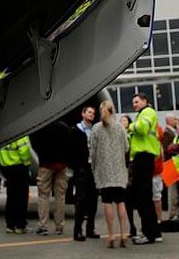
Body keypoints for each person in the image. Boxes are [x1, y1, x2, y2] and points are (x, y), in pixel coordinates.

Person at [90, 100, 130, 248]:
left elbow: (92, 151)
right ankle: (123, 233)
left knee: (107, 202)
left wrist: (94, 167)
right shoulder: (120, 127)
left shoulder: (96, 128)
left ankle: (111, 234)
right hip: (118, 170)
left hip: (104, 171)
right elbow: (126, 147)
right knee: (121, 202)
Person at [128, 93, 161, 245]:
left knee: (143, 197)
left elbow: (142, 129)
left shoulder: (147, 112)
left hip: (143, 157)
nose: (134, 104)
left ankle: (148, 233)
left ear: (144, 101)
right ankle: (154, 232)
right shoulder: (145, 113)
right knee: (146, 196)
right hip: (145, 157)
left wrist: (129, 127)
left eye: (136, 101)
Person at [31, 120, 70, 235]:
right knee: (60, 196)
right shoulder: (64, 127)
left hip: (46, 164)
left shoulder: (41, 127)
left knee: (43, 195)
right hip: (62, 164)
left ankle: (43, 226)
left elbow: (35, 144)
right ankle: (59, 226)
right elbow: (70, 145)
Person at [70, 106, 100, 241]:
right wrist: (76, 167)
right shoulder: (76, 130)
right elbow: (71, 149)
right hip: (82, 168)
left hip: (93, 168)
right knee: (81, 199)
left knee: (93, 199)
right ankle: (78, 230)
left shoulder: (95, 130)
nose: (92, 114)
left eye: (93, 113)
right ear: (83, 114)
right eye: (89, 112)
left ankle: (90, 228)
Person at [0, 136, 32, 234]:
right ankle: (20, 225)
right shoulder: (21, 134)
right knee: (22, 198)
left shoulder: (3, 135)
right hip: (20, 167)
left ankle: (10, 225)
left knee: (11, 197)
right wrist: (27, 162)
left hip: (7, 167)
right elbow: (24, 151)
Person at [161, 115, 179, 220]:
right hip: (170, 163)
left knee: (174, 189)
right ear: (170, 121)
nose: (176, 121)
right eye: (175, 119)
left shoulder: (172, 132)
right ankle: (172, 212)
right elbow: (166, 150)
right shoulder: (168, 133)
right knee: (172, 190)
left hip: (171, 163)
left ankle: (174, 211)